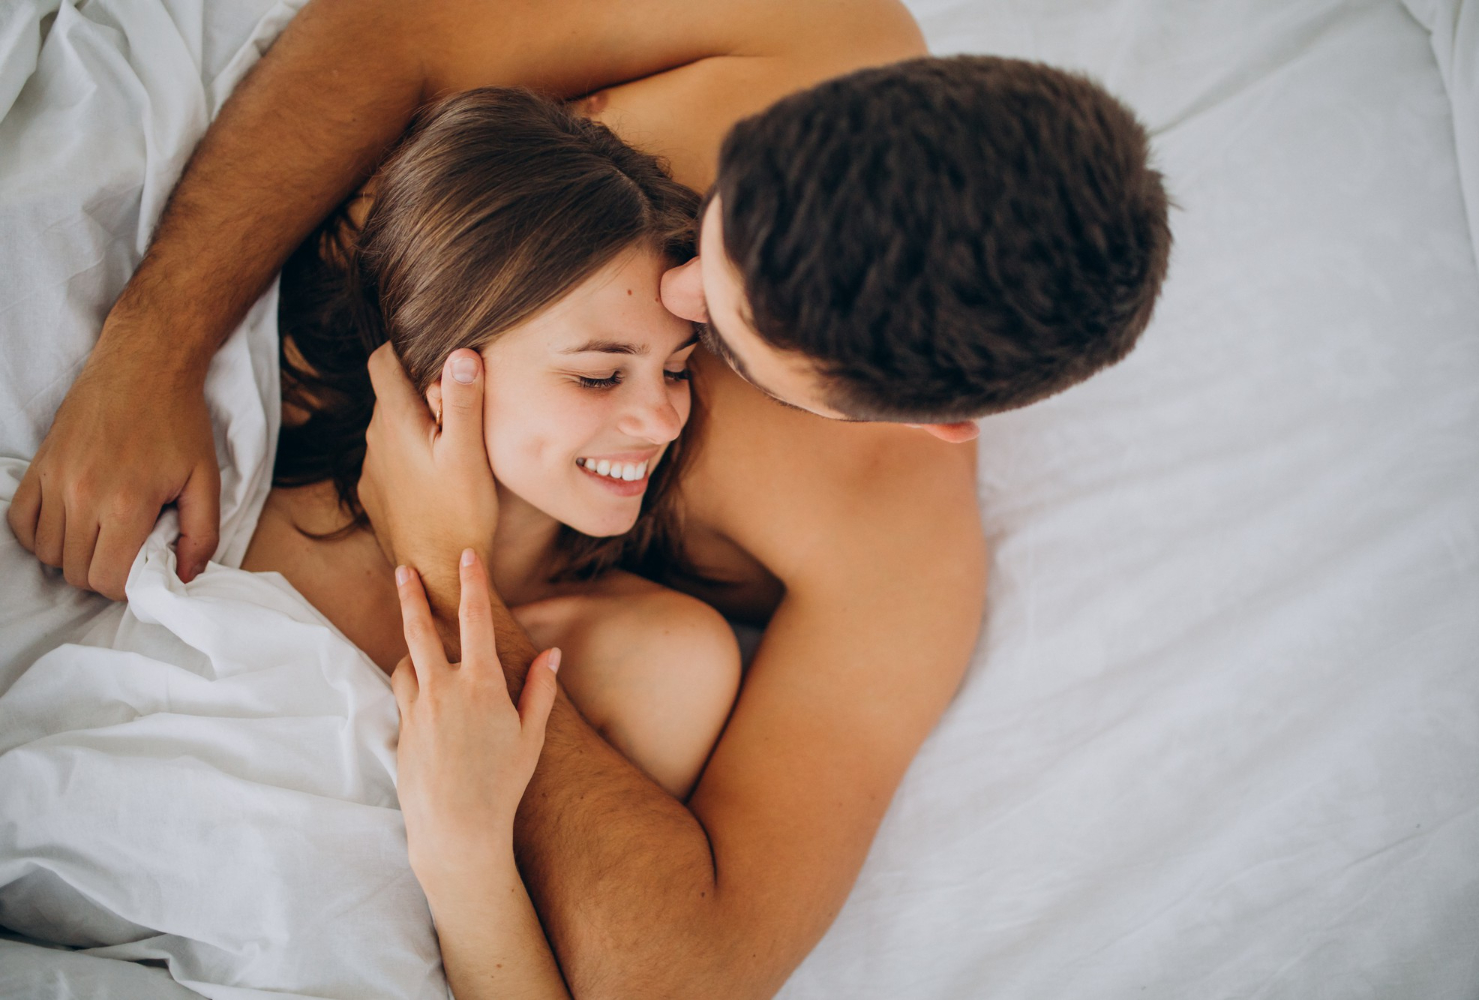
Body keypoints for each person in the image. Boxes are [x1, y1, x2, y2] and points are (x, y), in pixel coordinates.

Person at [7, 1, 1170, 995]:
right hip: (239, 325)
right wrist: (152, 345)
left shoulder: (893, 556)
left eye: (729, 329)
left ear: (923, 418)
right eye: (723, 215)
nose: (677, 282)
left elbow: (683, 970)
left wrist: (449, 580)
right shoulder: (811, 31)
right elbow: (397, 26)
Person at [241, 88, 741, 995]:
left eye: (676, 367)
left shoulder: (656, 659)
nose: (663, 417)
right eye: (597, 375)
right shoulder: (252, 532)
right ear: (440, 363)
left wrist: (464, 852)